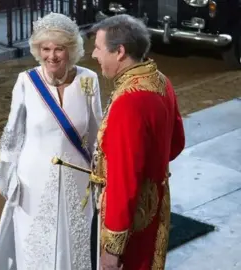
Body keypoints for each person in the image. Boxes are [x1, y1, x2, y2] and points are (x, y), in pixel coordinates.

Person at [0, 12, 103, 270]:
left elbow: (97, 134)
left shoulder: (88, 80)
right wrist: (8, 175)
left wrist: (100, 176)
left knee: (75, 244)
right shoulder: (27, 81)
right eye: (45, 48)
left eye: (59, 49)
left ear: (71, 49)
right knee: (35, 243)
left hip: (78, 179)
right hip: (32, 181)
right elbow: (12, 134)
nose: (52, 55)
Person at [89, 14, 185, 270]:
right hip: (156, 205)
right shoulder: (161, 80)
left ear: (119, 51)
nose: (94, 55)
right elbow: (176, 143)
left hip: (130, 221)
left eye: (98, 48)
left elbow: (123, 178)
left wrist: (112, 249)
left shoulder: (129, 102)